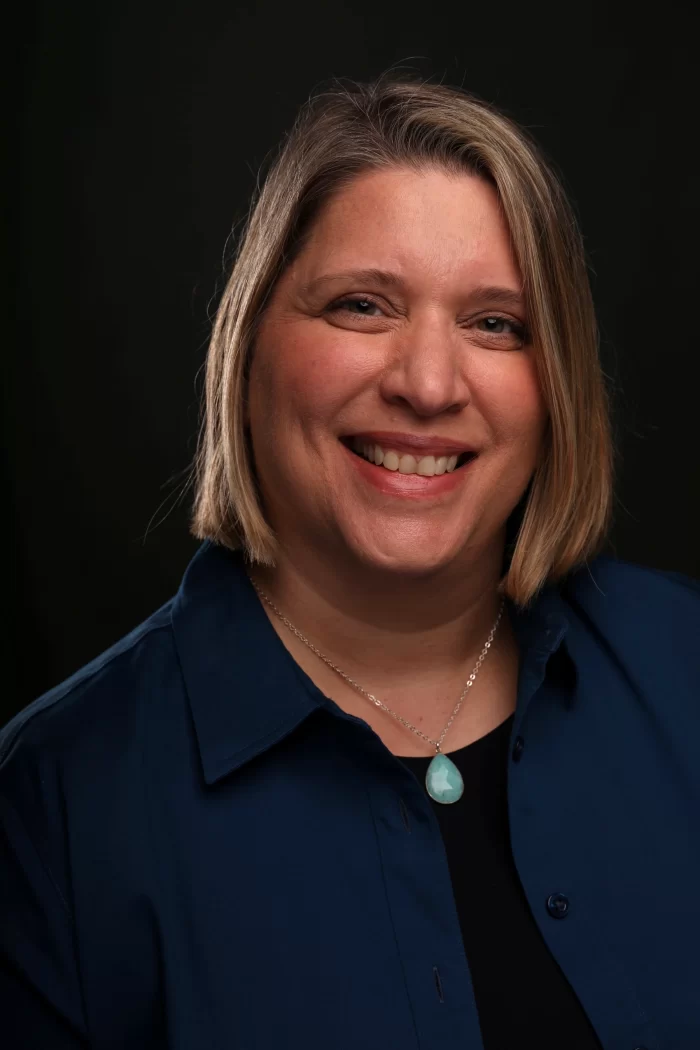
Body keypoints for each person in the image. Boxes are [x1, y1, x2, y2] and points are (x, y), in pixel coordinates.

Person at [1, 74, 699, 1050]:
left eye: (495, 322)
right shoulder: (54, 806)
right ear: (250, 347)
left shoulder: (686, 667)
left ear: (556, 385)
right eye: (363, 306)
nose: (425, 382)